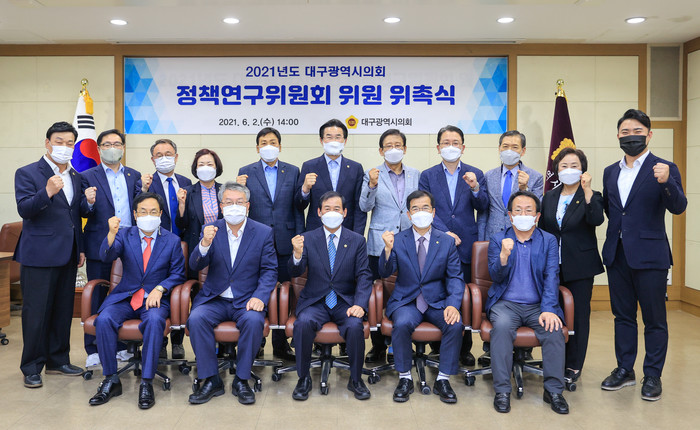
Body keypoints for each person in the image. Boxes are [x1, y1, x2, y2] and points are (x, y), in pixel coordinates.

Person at [600, 109, 687, 401]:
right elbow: (612, 210)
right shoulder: (611, 171)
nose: (631, 137)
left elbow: (679, 207)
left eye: (637, 131)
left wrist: (667, 182)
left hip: (650, 255)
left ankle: (652, 375)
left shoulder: (665, 167)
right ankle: (625, 369)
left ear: (649, 135)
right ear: (618, 136)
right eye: (625, 132)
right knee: (623, 316)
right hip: (617, 254)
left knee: (654, 319)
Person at [88, 192, 186, 409]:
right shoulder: (125, 235)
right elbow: (106, 256)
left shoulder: (172, 240)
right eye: (143, 212)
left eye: (153, 212)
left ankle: (147, 382)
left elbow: (178, 274)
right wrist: (111, 233)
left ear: (160, 214)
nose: (148, 216)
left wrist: (160, 288)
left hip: (154, 300)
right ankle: (111, 379)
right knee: (104, 319)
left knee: (154, 321)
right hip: (126, 297)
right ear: (135, 214)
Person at [187, 182, 278, 405]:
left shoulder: (263, 232)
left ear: (248, 205)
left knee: (254, 321)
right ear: (221, 206)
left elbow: (270, 270)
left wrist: (260, 296)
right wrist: (204, 243)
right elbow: (195, 265)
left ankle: (241, 380)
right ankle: (212, 380)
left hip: (247, 299)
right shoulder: (211, 229)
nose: (234, 206)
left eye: (239, 202)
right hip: (215, 299)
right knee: (196, 318)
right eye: (229, 202)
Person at [14, 121, 88, 388]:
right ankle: (32, 366)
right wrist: (47, 191)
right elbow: (25, 209)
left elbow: (74, 215)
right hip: (39, 255)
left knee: (62, 310)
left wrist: (80, 247)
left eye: (70, 143)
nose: (64, 147)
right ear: (47, 143)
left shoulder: (76, 176)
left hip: (68, 254)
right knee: (36, 312)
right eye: (59, 141)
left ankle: (58, 360)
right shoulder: (27, 173)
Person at [487, 190, 569, 414]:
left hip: (538, 305)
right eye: (518, 210)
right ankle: (502, 391)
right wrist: (503, 256)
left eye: (528, 210)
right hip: (505, 304)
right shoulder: (498, 239)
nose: (523, 215)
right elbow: (495, 277)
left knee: (553, 330)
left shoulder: (548, 240)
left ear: (537, 216)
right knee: (501, 328)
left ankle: (554, 391)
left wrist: (549, 309)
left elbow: (552, 276)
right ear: (510, 215)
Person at [379, 190, 464, 403]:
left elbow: (455, 277)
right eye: (415, 209)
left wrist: (453, 304)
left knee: (454, 324)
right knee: (402, 323)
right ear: (409, 215)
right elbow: (384, 272)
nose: (421, 212)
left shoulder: (446, 241)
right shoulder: (398, 240)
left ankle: (443, 379)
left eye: (425, 208)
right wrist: (387, 250)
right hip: (407, 300)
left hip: (437, 301)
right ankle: (405, 378)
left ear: (433, 212)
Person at [288, 191, 373, 401]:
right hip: (316, 301)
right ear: (319, 212)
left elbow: (364, 275)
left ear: (345, 212)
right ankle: (303, 378)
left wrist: (360, 304)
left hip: (345, 301)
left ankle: (356, 379)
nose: (332, 213)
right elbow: (295, 271)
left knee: (355, 325)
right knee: (303, 323)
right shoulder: (308, 238)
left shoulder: (356, 240)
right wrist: (297, 254)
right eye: (327, 209)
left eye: (337, 209)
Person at [418, 125, 488, 366]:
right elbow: (426, 208)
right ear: (438, 147)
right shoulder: (428, 175)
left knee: (463, 295)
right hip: (436, 242)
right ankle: (437, 346)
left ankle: (464, 348)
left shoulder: (475, 173)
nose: (451, 146)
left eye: (455, 142)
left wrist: (475, 187)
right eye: (446, 143)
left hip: (466, 244)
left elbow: (483, 206)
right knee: (438, 294)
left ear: (463, 147)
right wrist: (444, 232)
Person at [237, 127, 304, 362]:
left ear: (280, 146)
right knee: (258, 289)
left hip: (286, 240)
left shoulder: (293, 171)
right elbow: (240, 207)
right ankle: (257, 341)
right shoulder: (246, 172)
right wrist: (239, 187)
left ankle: (280, 344)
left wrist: (299, 237)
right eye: (264, 142)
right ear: (257, 147)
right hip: (257, 241)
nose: (268, 146)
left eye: (273, 142)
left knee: (286, 293)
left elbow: (298, 207)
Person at [539, 147, 604, 384]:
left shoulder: (592, 195)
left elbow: (596, 219)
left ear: (583, 170)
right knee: (553, 313)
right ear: (556, 170)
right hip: (552, 266)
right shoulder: (549, 196)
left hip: (580, 266)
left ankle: (574, 364)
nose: (568, 170)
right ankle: (555, 359)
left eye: (574, 166)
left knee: (578, 317)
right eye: (564, 166)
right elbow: (544, 230)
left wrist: (587, 191)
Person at [359, 128, 420, 363]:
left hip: (408, 242)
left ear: (404, 149)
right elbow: (364, 206)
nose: (393, 149)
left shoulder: (416, 174)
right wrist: (372, 185)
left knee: (407, 293)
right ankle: (377, 346)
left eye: (398, 145)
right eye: (388, 146)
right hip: (379, 243)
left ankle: (402, 343)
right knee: (378, 295)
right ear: (381, 150)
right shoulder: (372, 174)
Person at [81, 129, 141, 366]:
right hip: (100, 243)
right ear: (99, 149)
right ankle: (93, 348)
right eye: (107, 144)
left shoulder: (134, 175)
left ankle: (122, 346)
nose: (112, 148)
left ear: (123, 148)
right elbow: (81, 211)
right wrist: (89, 202)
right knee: (97, 294)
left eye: (117, 144)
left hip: (130, 245)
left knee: (125, 295)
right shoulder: (87, 176)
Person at [139, 138, 192, 360]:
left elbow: (188, 217)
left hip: (180, 244)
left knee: (178, 291)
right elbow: (139, 211)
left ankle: (177, 341)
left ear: (176, 157)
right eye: (159, 155)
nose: (164, 158)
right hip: (155, 246)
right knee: (157, 290)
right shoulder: (147, 183)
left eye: (168, 154)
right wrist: (143, 189)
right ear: (152, 159)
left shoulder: (186, 182)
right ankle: (159, 341)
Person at [295, 119, 366, 235]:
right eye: (329, 137)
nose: (334, 141)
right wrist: (305, 189)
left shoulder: (355, 168)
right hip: (316, 231)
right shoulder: (309, 166)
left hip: (347, 231)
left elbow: (359, 206)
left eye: (338, 137)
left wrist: (358, 236)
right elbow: (299, 205)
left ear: (345, 141)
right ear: (321, 140)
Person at [478, 130, 544, 241]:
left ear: (523, 151)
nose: (509, 151)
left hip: (522, 236)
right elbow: (483, 212)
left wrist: (525, 189)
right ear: (499, 148)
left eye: (515, 147)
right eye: (505, 146)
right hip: (492, 236)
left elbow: (537, 209)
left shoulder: (535, 177)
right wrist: (481, 239)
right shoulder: (489, 176)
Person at [176, 149, 224, 280]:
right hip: (196, 245)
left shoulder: (225, 190)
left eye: (210, 164)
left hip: (221, 244)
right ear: (195, 169)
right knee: (197, 282)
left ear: (216, 167)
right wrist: (181, 204)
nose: (205, 168)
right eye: (201, 165)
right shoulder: (187, 192)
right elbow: (181, 224)